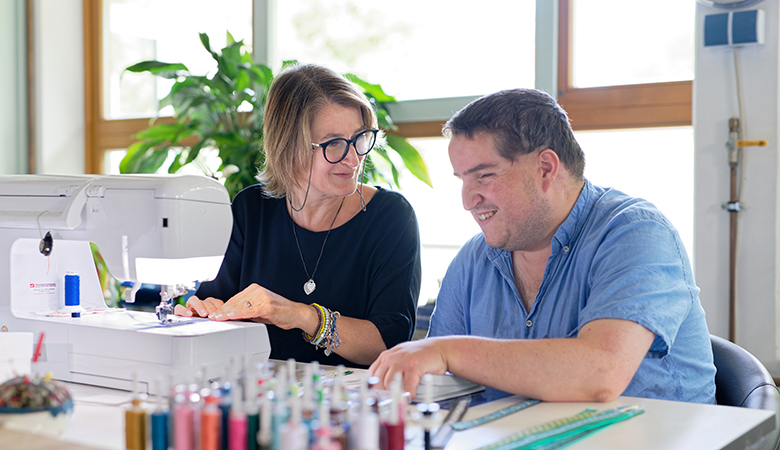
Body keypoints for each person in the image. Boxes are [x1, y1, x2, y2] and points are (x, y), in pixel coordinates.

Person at [370, 88, 716, 403]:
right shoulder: (473, 260)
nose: (468, 200)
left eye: (484, 176)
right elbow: (442, 389)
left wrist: (446, 350)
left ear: (546, 168)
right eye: (462, 180)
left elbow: (600, 373)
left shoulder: (636, 233)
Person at [175, 64, 421, 368]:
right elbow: (220, 307)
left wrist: (302, 315)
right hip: (262, 394)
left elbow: (389, 345)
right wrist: (206, 314)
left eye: (360, 138)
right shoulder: (251, 208)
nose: (354, 157)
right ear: (290, 147)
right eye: (334, 144)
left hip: (350, 404)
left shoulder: (390, 217)